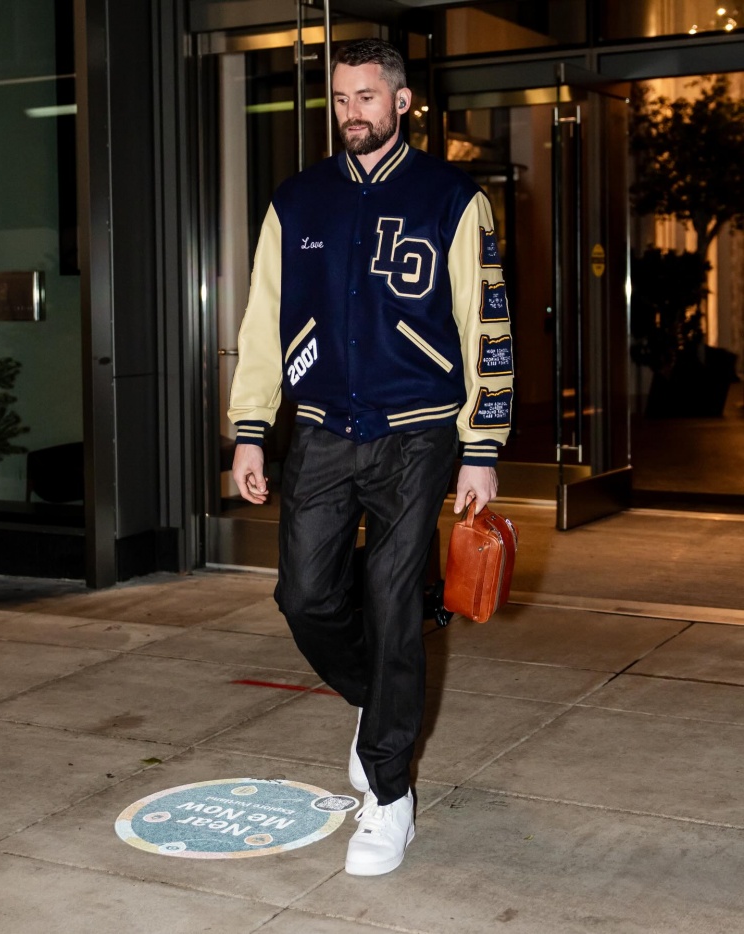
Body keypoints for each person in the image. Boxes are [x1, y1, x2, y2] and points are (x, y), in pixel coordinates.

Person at [228, 38, 513, 876]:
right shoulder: (298, 201)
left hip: (419, 432)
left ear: (402, 102)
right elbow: (262, 322)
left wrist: (481, 446)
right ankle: (376, 699)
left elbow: (487, 327)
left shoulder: (453, 199)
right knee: (304, 596)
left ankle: (389, 797)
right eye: (341, 98)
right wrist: (250, 427)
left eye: (367, 97)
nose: (352, 112)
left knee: (393, 605)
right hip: (321, 428)